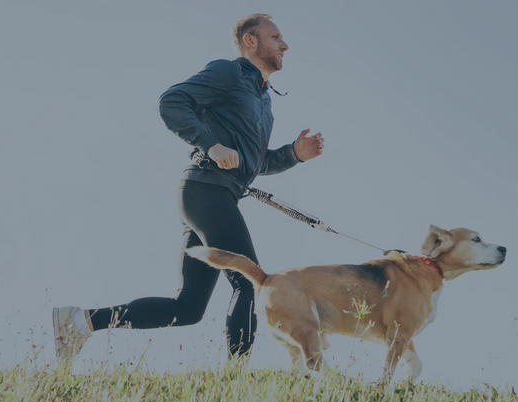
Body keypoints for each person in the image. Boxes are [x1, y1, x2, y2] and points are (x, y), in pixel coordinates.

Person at [52, 13, 324, 365]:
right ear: (250, 41)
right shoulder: (229, 73)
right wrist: (210, 144)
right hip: (207, 191)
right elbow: (171, 101)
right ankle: (237, 381)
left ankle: (79, 322)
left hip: (212, 196)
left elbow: (251, 162)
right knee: (251, 281)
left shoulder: (264, 101)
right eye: (275, 37)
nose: (284, 45)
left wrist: (293, 155)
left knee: (188, 308)